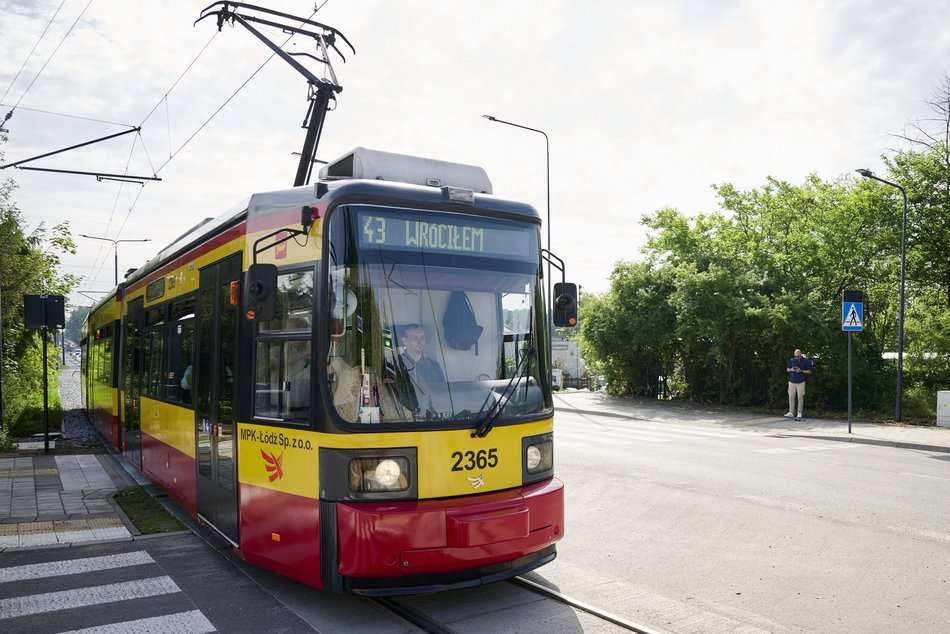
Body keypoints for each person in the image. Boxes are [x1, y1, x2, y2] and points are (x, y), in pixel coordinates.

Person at [397, 323, 447, 416]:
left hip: (431, 416)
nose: (419, 341)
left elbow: (443, 394)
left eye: (422, 338)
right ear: (405, 341)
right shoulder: (395, 364)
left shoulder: (434, 367)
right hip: (403, 417)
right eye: (414, 338)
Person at [785, 348, 812, 421]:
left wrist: (801, 371)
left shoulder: (806, 361)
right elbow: (787, 369)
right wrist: (791, 370)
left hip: (801, 382)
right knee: (791, 397)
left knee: (800, 397)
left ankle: (799, 412)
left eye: (798, 356)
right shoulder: (792, 360)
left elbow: (810, 371)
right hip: (792, 381)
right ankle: (791, 412)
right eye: (795, 356)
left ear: (801, 355)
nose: (796, 358)